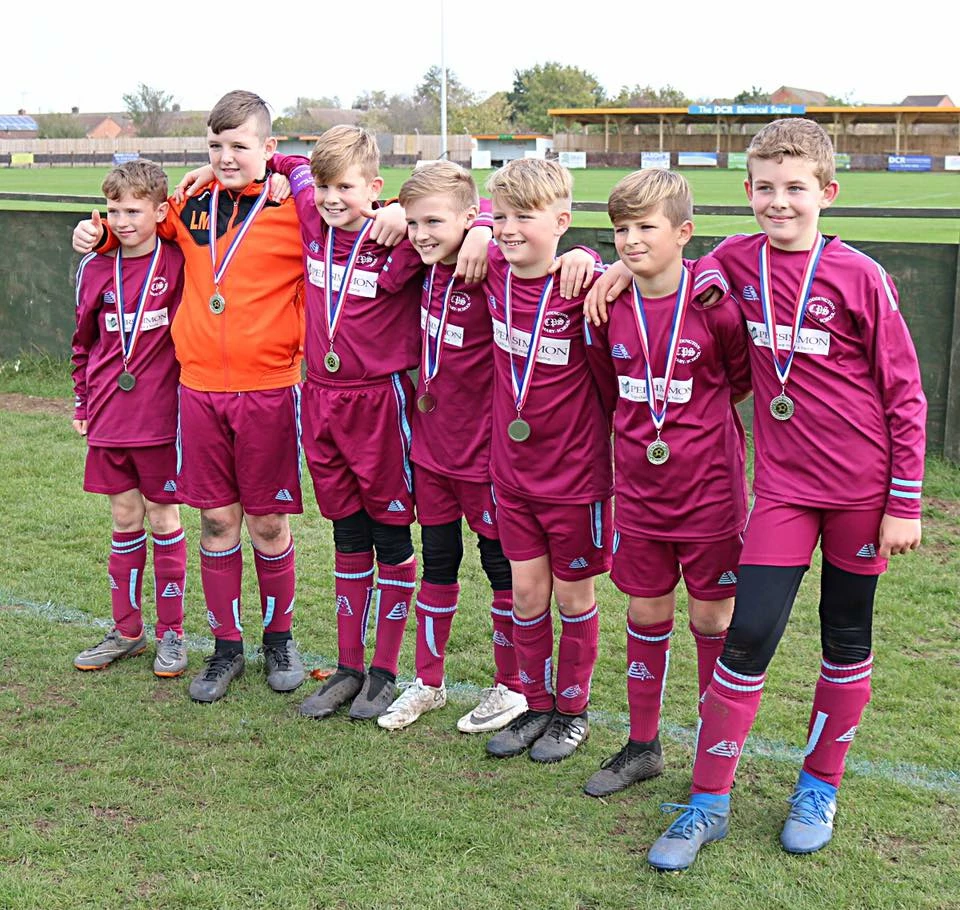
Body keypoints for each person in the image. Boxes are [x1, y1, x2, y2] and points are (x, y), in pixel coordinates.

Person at [587, 118, 926, 869]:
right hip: (780, 493)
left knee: (845, 639)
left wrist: (904, 499)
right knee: (747, 641)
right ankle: (706, 802)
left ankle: (818, 785)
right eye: (765, 188)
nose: (779, 202)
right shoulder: (730, 264)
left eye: (795, 189)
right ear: (746, 192)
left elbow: (905, 394)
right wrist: (604, 266)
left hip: (862, 495)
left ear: (826, 194)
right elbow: (662, 262)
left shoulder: (861, 276)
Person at [73, 90, 310, 703]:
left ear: (268, 148)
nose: (225, 157)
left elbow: (370, 209)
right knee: (215, 520)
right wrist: (95, 232)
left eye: (239, 146)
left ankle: (279, 638)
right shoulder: (191, 202)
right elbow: (136, 229)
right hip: (198, 392)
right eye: (215, 146)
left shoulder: (294, 209)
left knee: (266, 521)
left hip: (268, 390)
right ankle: (226, 647)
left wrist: (287, 173)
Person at [264, 129, 489, 722]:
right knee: (346, 532)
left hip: (379, 402)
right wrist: (210, 172)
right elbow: (285, 161)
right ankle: (348, 666)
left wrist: (484, 224)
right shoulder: (310, 208)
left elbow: (466, 211)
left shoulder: (403, 237)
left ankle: (385, 672)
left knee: (390, 534)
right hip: (319, 396)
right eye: (329, 186)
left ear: (375, 186)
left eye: (349, 187)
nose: (335, 198)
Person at [580, 169, 751, 798]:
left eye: (645, 227)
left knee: (712, 618)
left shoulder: (714, 305)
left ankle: (712, 749)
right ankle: (643, 743)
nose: (629, 240)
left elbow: (738, 379)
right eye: (621, 229)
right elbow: (607, 386)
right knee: (646, 611)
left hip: (709, 492)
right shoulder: (606, 305)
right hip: (641, 495)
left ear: (683, 232)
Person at [355, 161, 527, 732]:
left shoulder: (493, 264)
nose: (423, 232)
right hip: (429, 449)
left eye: (435, 221)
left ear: (470, 217)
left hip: (483, 454)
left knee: (500, 566)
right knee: (438, 562)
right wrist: (399, 222)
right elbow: (386, 261)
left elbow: (549, 262)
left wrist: (482, 234)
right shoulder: (420, 263)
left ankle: (511, 686)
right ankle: (428, 683)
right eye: (415, 222)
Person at [481, 157, 613, 764]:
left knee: (572, 599)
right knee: (526, 595)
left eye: (524, 217)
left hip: (576, 478)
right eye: (501, 216)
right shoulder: (488, 273)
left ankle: (573, 710)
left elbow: (644, 273)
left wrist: (595, 258)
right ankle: (534, 703)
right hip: (511, 472)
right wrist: (482, 228)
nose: (509, 229)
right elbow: (439, 221)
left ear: (561, 220)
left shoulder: (589, 288)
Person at [71, 159, 189, 678]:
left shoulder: (180, 262)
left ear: (160, 211)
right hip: (108, 415)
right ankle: (126, 630)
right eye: (114, 210)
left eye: (134, 211)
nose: (122, 221)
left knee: (164, 518)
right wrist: (81, 402)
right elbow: (82, 345)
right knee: (123, 520)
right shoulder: (96, 267)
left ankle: (173, 634)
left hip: (161, 419)